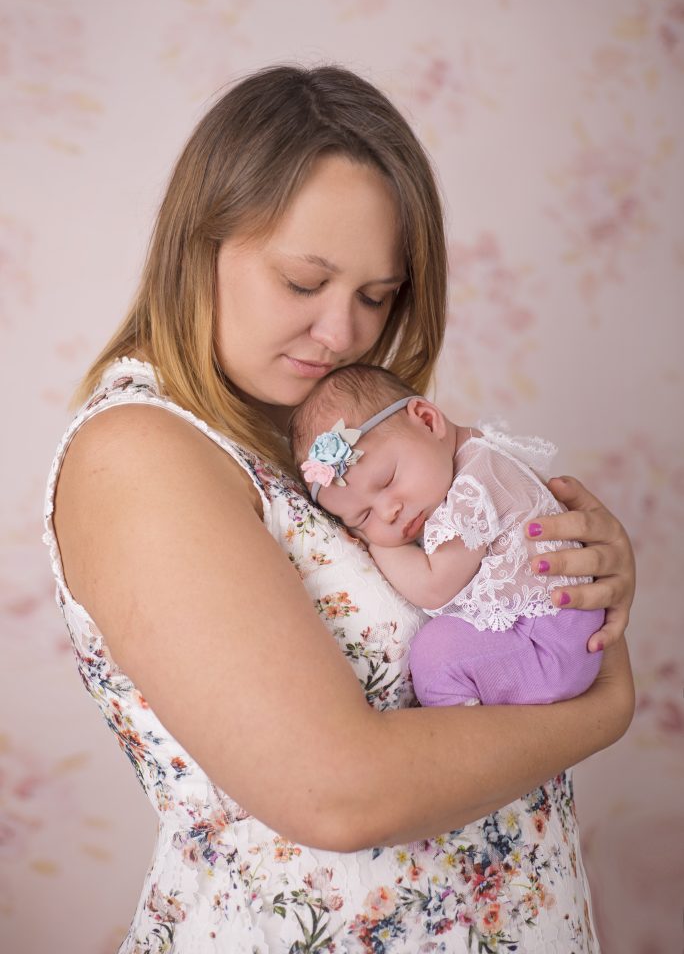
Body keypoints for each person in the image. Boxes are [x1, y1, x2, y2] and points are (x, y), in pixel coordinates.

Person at [44, 65, 635, 953]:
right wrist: (607, 699)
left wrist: (581, 572)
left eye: (374, 296)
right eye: (302, 282)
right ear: (198, 244)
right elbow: (337, 794)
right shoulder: (140, 454)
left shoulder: (325, 441)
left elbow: (482, 596)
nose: (343, 335)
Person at [290, 363, 605, 709]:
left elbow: (434, 586)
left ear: (427, 421)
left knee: (436, 654)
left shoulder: (473, 486)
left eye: (388, 480)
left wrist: (375, 543)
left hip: (546, 642)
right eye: (362, 517)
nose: (388, 512)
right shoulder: (474, 454)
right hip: (560, 633)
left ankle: (462, 731)